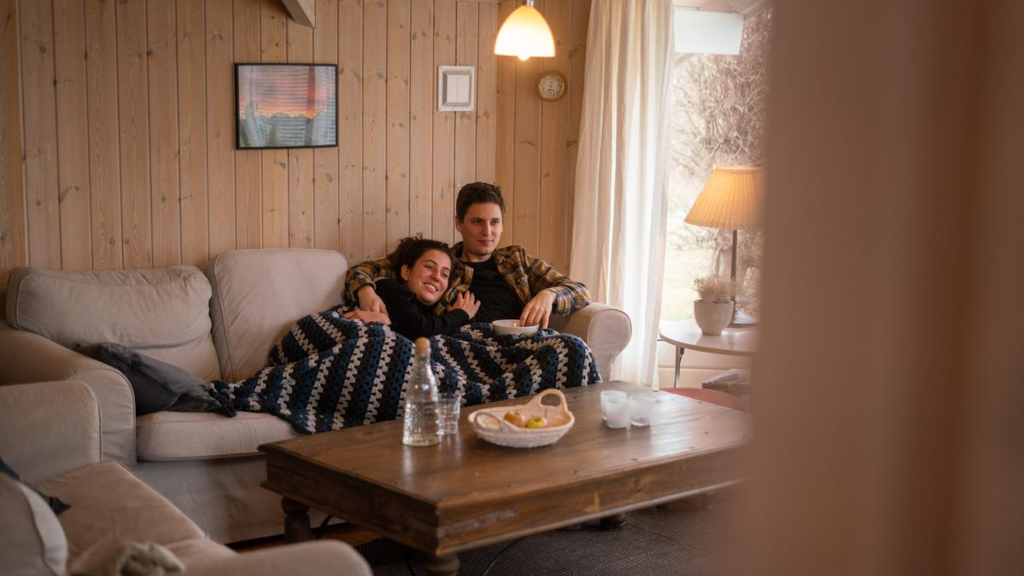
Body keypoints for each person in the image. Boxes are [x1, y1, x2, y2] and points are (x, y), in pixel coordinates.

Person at [345, 182, 590, 329]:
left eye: (495, 222)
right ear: (458, 223)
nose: (488, 232)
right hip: (464, 343)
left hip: (518, 340)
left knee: (573, 348)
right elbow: (364, 270)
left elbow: (580, 291)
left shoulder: (518, 260)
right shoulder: (440, 265)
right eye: (477, 222)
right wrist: (365, 291)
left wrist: (548, 295)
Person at [344, 237, 480, 339]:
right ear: (406, 272)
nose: (437, 277)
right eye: (429, 267)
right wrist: (460, 315)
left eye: (444, 274)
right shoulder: (389, 288)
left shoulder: (428, 312)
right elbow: (421, 331)